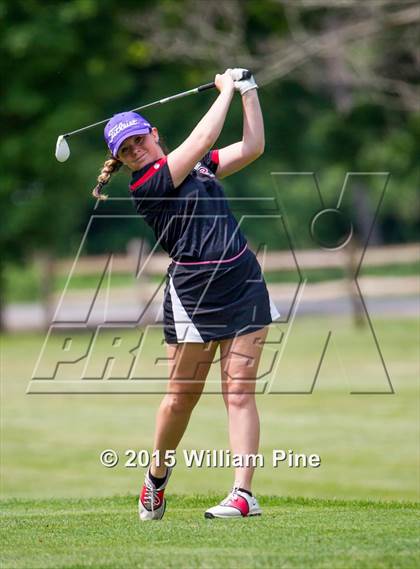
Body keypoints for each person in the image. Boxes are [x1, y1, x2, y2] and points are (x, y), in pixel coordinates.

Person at [93, 68, 280, 520]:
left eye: (139, 140)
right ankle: (155, 477)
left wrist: (249, 92)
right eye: (125, 149)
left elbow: (252, 148)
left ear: (152, 133)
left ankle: (243, 493)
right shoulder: (147, 185)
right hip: (194, 296)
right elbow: (199, 138)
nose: (135, 150)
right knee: (182, 398)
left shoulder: (193, 165)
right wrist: (227, 91)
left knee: (239, 393)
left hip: (242, 282)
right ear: (119, 159)